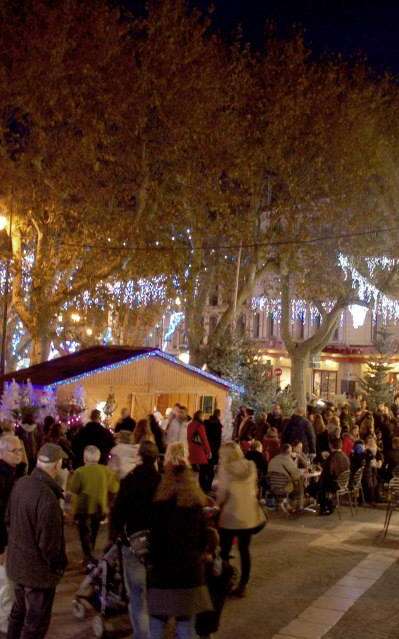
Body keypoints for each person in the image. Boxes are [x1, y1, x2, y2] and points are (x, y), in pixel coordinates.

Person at [6, 443, 68, 639]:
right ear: (57, 466)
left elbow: (8, 519)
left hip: (17, 566)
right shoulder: (48, 499)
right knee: (35, 624)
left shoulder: (21, 483)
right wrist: (59, 566)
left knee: (18, 613)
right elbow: (49, 546)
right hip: (37, 575)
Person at [147, 461, 211, 638]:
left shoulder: (159, 506)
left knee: (157, 621)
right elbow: (203, 540)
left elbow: (154, 541)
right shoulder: (196, 508)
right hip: (189, 571)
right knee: (185, 622)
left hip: (163, 570)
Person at [111, 440, 161, 639]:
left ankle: (142, 634)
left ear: (139, 456)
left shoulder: (130, 480)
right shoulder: (161, 481)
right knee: (153, 593)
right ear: (156, 458)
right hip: (156, 544)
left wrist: (115, 536)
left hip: (133, 542)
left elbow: (118, 512)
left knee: (138, 595)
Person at [216, 442, 266, 597]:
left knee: (224, 551)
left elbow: (222, 494)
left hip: (229, 516)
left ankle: (224, 582)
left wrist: (216, 506)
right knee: (244, 550)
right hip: (248, 515)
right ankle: (243, 584)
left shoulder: (225, 469)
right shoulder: (251, 466)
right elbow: (255, 489)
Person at [70, 445, 119, 565]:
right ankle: (90, 552)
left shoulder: (80, 472)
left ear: (84, 458)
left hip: (82, 508)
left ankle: (88, 555)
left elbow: (74, 489)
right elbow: (114, 488)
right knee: (94, 530)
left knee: (84, 532)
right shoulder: (106, 471)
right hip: (99, 507)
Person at [0, 436, 23, 563]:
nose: (19, 454)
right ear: (1, 453)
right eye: (14, 451)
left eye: (20, 450)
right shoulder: (3, 474)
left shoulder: (13, 470)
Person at [317, 437, 350, 515]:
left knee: (318, 484)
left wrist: (322, 467)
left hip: (334, 484)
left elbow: (328, 472)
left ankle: (325, 506)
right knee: (319, 484)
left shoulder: (332, 457)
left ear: (331, 445)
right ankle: (329, 504)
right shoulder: (345, 456)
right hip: (344, 483)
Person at [268, 443, 304, 512]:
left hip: (273, 486)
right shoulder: (287, 459)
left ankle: (287, 504)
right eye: (290, 451)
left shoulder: (273, 459)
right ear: (288, 451)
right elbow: (296, 474)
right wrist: (298, 458)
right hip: (284, 487)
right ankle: (300, 505)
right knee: (300, 481)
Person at [187, 410, 212, 492]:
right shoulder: (200, 425)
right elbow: (204, 439)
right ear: (200, 416)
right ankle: (203, 489)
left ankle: (191, 488)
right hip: (199, 450)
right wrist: (208, 451)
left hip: (191, 449)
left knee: (192, 471)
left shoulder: (190, 424)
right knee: (204, 471)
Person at [362, 435, 383, 505]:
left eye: (372, 441)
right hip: (367, 469)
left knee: (377, 479)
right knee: (370, 479)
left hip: (375, 468)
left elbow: (380, 457)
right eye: (369, 441)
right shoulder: (365, 450)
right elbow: (366, 460)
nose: (371, 442)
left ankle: (377, 496)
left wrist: (379, 461)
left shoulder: (376, 448)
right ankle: (371, 498)